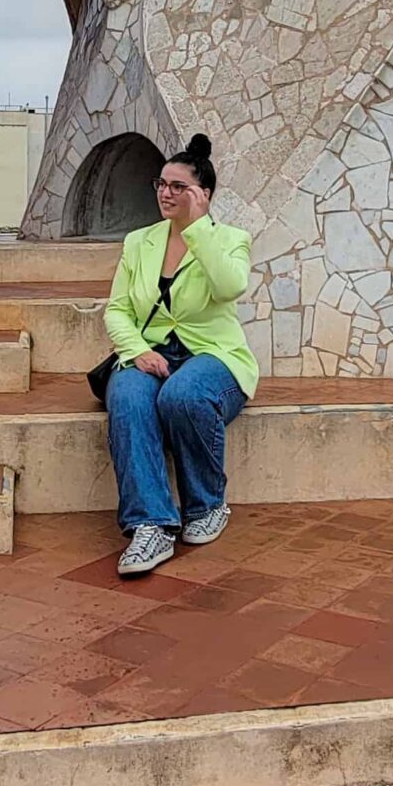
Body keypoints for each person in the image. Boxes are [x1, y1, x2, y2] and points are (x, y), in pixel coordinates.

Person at [102, 133, 259, 577]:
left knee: (182, 396)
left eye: (178, 186)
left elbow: (229, 287)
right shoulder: (139, 242)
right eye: (161, 184)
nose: (165, 193)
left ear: (203, 194)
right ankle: (150, 524)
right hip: (149, 352)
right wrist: (136, 351)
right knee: (130, 398)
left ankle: (207, 505)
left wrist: (198, 229)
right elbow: (118, 309)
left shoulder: (230, 239)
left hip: (213, 354)